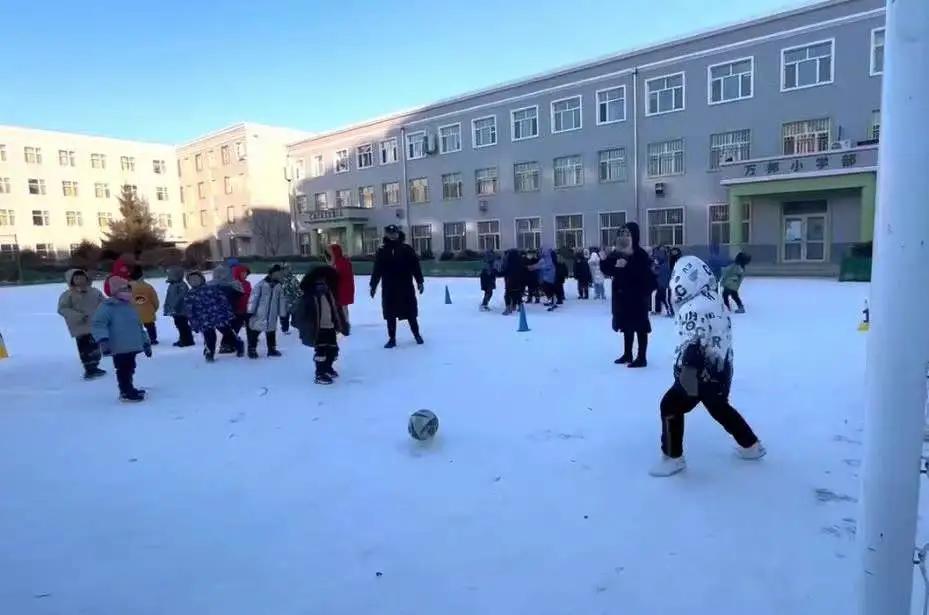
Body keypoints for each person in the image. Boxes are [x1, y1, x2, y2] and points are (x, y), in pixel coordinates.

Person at [649, 256, 765, 477]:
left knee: (670, 406)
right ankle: (751, 445)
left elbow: (693, 342)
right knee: (719, 407)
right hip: (721, 369)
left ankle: (673, 457)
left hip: (697, 371)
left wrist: (686, 378)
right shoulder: (714, 299)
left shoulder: (692, 308)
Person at [600, 222, 655, 368]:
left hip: (637, 297)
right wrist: (604, 259)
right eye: (622, 233)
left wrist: (627, 266)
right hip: (622, 296)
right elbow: (608, 270)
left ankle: (641, 357)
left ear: (634, 236)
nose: (624, 236)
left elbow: (643, 275)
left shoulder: (640, 254)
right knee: (626, 326)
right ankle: (627, 354)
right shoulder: (618, 251)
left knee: (640, 327)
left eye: (628, 234)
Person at [91, 276, 151, 402]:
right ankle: (125, 391)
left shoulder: (131, 306)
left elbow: (138, 326)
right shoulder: (107, 307)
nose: (127, 292)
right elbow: (98, 324)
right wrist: (103, 341)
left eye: (128, 289)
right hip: (118, 346)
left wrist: (145, 342)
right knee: (123, 369)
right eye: (123, 289)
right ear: (114, 292)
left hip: (132, 344)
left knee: (130, 367)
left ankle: (129, 387)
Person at [293, 265, 350, 385]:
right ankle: (320, 373)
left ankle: (328, 367)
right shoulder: (310, 297)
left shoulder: (330, 294)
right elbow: (302, 312)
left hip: (330, 326)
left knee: (333, 349)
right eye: (319, 282)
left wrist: (341, 323)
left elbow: (336, 309)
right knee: (321, 351)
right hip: (318, 328)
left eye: (323, 282)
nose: (322, 285)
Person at [370, 225, 425, 348]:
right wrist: (373, 285)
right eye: (389, 233)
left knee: (410, 313)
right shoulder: (382, 250)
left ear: (398, 233)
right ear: (386, 235)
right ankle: (392, 339)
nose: (392, 235)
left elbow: (415, 266)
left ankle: (417, 334)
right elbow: (377, 270)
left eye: (394, 233)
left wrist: (420, 281)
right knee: (390, 314)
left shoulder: (406, 249)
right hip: (389, 287)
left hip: (405, 286)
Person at [57, 268, 106, 379]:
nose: (80, 280)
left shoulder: (94, 292)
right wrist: (77, 316)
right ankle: (89, 368)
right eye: (76, 278)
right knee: (85, 348)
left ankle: (95, 365)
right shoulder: (68, 295)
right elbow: (62, 309)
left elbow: (103, 303)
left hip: (95, 324)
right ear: (71, 280)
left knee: (95, 348)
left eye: (82, 277)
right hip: (80, 326)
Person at [183, 271, 243, 362]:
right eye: (191, 280)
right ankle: (210, 353)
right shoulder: (189, 295)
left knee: (228, 333)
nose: (194, 281)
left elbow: (223, 301)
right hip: (204, 320)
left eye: (196, 279)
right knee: (209, 337)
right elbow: (190, 311)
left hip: (218, 317)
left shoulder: (212, 289)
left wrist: (227, 313)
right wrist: (194, 323)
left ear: (202, 279)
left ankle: (238, 345)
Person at [246, 264, 287, 358]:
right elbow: (253, 298)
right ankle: (251, 350)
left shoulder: (278, 286)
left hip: (272, 313)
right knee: (255, 331)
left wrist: (282, 314)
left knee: (271, 331)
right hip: (260, 313)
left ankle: (271, 349)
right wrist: (250, 311)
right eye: (277, 273)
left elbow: (281, 300)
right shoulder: (260, 285)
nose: (279, 275)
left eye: (280, 273)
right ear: (272, 273)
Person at [163, 266, 194, 347]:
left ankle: (187, 340)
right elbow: (169, 297)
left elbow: (181, 297)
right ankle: (183, 339)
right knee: (179, 325)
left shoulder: (181, 285)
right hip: (174, 310)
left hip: (181, 309)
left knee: (183, 325)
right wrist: (167, 306)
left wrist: (175, 306)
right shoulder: (172, 285)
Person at [129, 265, 159, 345]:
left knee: (136, 327)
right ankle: (153, 339)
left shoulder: (128, 287)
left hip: (134, 312)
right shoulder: (148, 287)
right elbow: (155, 300)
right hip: (148, 311)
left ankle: (137, 339)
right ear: (142, 276)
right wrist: (154, 308)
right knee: (150, 326)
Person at [326, 243, 355, 321]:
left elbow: (338, 275)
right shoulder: (340, 261)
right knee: (341, 306)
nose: (329, 255)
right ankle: (343, 322)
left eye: (330, 253)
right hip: (341, 287)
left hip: (342, 287)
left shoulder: (341, 262)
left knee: (342, 306)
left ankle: (344, 322)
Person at [279, 263, 302, 334]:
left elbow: (299, 289)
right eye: (284, 269)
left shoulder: (293, 279)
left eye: (288, 269)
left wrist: (300, 296)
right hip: (283, 302)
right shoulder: (279, 279)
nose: (286, 271)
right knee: (284, 317)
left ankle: (297, 328)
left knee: (295, 316)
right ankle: (285, 330)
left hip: (293, 301)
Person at [502, 249, 525, 315]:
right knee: (517, 294)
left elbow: (505, 272)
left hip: (510, 282)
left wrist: (496, 273)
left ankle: (508, 308)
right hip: (518, 282)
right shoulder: (520, 263)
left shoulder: (510, 264)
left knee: (507, 295)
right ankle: (520, 307)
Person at [652, 246, 673, 316]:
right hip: (660, 285)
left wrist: (655, 267)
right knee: (659, 297)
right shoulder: (661, 263)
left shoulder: (664, 265)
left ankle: (670, 312)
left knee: (666, 299)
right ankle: (657, 310)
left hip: (665, 286)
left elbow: (659, 273)